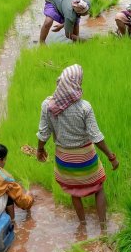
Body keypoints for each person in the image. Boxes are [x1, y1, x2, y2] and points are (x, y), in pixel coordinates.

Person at [36, 65, 119, 225]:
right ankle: (103, 226)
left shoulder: (48, 106)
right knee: (99, 187)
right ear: (77, 84)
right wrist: (111, 157)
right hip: (86, 158)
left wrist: (40, 150)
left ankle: (82, 225)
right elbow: (96, 136)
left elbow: (43, 133)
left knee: (74, 191)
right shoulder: (84, 107)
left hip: (64, 159)